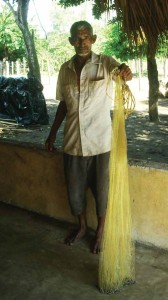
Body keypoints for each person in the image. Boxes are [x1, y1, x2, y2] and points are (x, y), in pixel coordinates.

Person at [45, 20, 133, 254]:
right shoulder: (65, 70)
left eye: (86, 37)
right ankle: (82, 226)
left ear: (93, 39)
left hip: (101, 143)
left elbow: (123, 72)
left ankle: (101, 230)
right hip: (73, 143)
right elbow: (64, 105)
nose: (81, 42)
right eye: (77, 37)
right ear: (70, 41)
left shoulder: (105, 63)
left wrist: (125, 69)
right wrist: (52, 134)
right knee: (75, 193)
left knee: (102, 192)